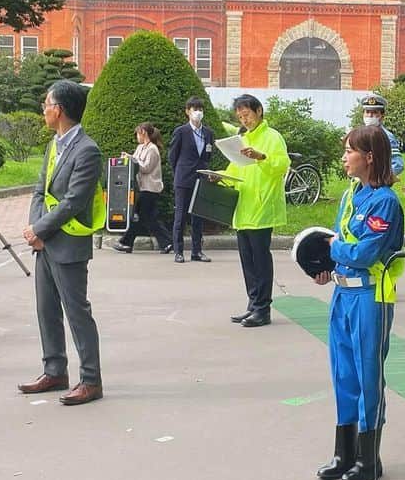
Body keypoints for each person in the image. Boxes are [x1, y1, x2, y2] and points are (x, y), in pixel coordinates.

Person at [312, 125, 405, 480]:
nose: (343, 157)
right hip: (342, 293)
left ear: (369, 156)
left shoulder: (385, 201)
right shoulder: (352, 194)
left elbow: (366, 253)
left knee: (368, 377)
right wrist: (326, 265)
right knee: (343, 373)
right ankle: (345, 452)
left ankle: (369, 458)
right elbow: (342, 243)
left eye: (349, 151)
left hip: (370, 296)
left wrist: (333, 248)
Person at [20, 80, 107, 406]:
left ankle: (91, 380)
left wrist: (40, 230)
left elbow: (74, 201)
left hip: (68, 244)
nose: (43, 109)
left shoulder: (87, 150)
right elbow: (39, 190)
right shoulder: (54, 145)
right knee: (46, 310)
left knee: (76, 311)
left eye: (46, 104)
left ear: (59, 109)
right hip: (45, 242)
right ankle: (54, 370)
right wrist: (35, 229)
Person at [221, 94, 288, 328]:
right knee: (247, 261)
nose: (244, 119)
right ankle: (253, 305)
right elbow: (235, 170)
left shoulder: (272, 137)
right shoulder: (243, 139)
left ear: (259, 111)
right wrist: (219, 179)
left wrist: (261, 157)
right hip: (243, 208)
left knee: (260, 260)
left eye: (247, 114)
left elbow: (282, 165)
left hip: (261, 206)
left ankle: (263, 309)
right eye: (240, 116)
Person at [168, 97, 216, 264]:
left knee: (198, 217)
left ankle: (197, 251)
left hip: (200, 178)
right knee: (180, 216)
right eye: (194, 109)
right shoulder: (181, 131)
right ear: (187, 111)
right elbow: (172, 156)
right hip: (183, 179)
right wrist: (178, 174)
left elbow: (209, 155)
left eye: (200, 109)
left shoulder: (208, 133)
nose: (198, 113)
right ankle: (179, 251)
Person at [112, 122, 172, 254]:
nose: (136, 137)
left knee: (141, 216)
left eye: (137, 133)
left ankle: (126, 242)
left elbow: (145, 168)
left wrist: (132, 160)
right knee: (147, 217)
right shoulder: (140, 148)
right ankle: (167, 243)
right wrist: (129, 158)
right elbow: (136, 161)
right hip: (143, 188)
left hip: (151, 188)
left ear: (143, 132)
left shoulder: (153, 149)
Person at [360, 94, 404, 177]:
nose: (370, 115)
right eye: (367, 112)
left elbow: (398, 165)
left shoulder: (386, 136)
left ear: (382, 116)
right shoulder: (359, 134)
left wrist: (380, 180)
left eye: (374, 112)